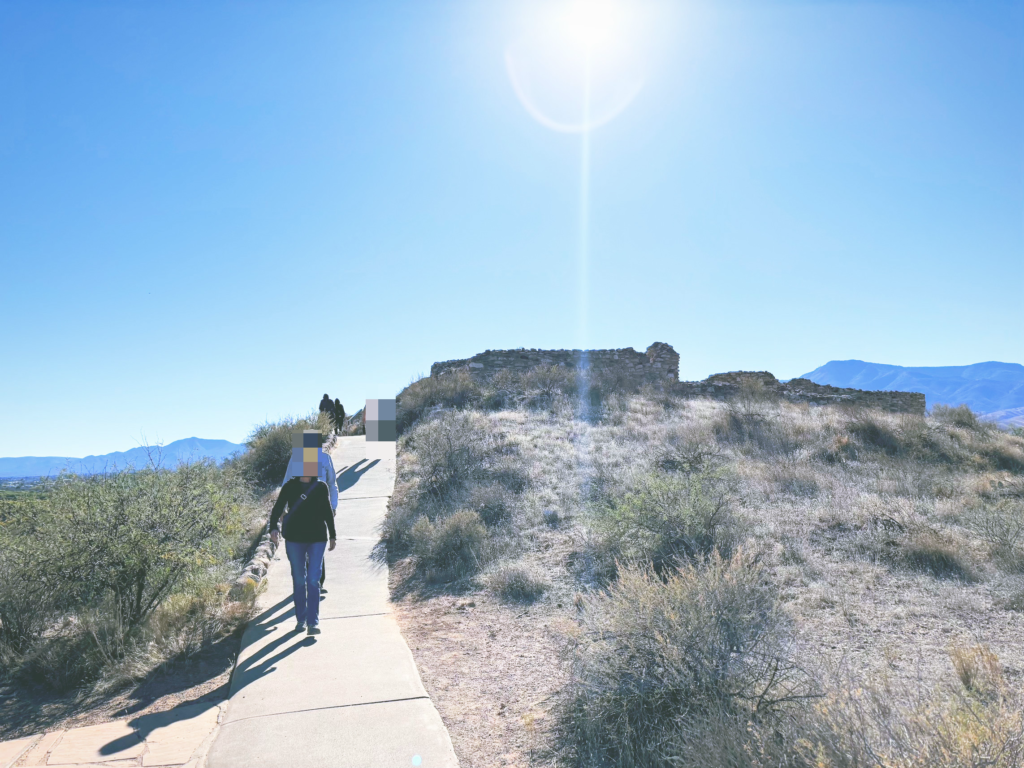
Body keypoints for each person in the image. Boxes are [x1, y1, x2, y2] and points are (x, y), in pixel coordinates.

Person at [269, 474, 336, 635]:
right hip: (294, 539)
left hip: (317, 538)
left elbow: (327, 511)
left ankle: (313, 623)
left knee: (313, 579)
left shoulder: (321, 487)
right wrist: (273, 527)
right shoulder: (289, 487)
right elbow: (278, 507)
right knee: (299, 580)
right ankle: (301, 619)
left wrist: (332, 535)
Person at [281, 438, 338, 592]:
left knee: (316, 544)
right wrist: (283, 510)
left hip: (319, 508)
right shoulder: (296, 459)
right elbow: (287, 483)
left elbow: (332, 484)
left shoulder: (325, 459)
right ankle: (306, 580)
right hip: (299, 510)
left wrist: (333, 506)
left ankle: (317, 581)